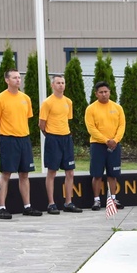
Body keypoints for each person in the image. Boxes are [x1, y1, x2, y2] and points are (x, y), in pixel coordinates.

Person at [0, 69, 41, 218]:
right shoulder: (0, 99)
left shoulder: (25, 98)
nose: (18, 80)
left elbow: (26, 118)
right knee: (6, 173)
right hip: (8, 139)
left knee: (24, 174)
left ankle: (27, 206)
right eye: (14, 78)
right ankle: (1, 207)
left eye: (19, 77)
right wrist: (5, 134)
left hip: (24, 139)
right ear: (7, 80)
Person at [41, 75, 81, 214]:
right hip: (53, 138)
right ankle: (51, 203)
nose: (61, 85)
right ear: (52, 85)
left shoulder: (68, 102)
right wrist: (51, 135)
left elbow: (67, 119)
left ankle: (68, 202)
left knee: (70, 171)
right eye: (58, 83)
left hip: (66, 138)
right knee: (52, 171)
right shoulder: (47, 102)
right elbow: (42, 124)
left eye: (63, 83)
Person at [85, 81, 125, 211]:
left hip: (114, 145)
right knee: (97, 174)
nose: (104, 94)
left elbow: (122, 125)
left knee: (113, 174)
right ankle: (96, 200)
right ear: (96, 94)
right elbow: (91, 128)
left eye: (106, 92)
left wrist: (115, 140)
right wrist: (106, 140)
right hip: (97, 145)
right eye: (101, 92)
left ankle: (113, 199)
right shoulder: (91, 109)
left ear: (110, 92)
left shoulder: (117, 108)